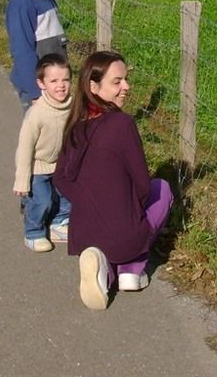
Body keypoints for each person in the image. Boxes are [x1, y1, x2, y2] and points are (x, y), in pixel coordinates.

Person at [53, 51, 174, 310]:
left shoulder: (74, 126)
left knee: (111, 238)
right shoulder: (122, 124)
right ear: (93, 87)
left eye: (126, 79)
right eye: (117, 81)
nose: (127, 87)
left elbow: (60, 178)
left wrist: (89, 201)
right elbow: (142, 184)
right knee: (162, 189)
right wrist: (127, 208)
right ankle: (132, 268)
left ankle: (104, 271)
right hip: (123, 233)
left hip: (84, 233)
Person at [13, 53, 74, 251]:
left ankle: (59, 223)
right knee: (42, 200)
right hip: (37, 165)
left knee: (66, 196)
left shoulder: (72, 106)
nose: (61, 85)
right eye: (53, 80)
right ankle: (33, 232)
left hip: (61, 163)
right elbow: (24, 148)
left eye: (65, 79)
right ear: (41, 84)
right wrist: (22, 178)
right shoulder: (36, 113)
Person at [5, 0, 68, 110]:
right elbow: (22, 50)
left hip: (53, 82)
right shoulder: (22, 3)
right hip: (39, 87)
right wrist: (35, 93)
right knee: (40, 134)